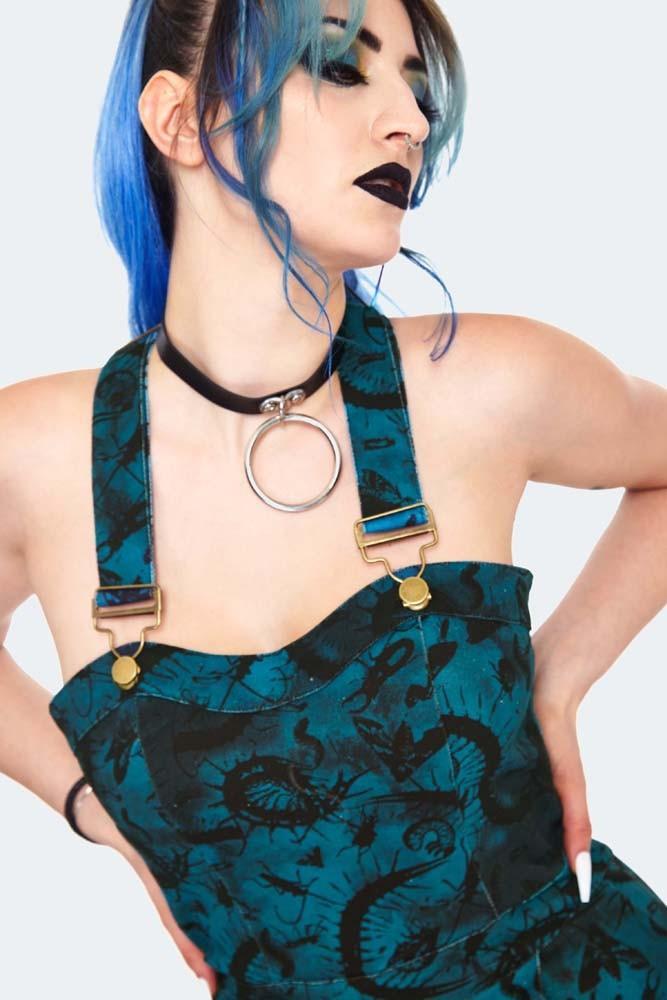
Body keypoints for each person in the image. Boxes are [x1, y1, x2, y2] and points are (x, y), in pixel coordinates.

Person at [1, 0, 666, 997]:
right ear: (179, 119)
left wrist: (557, 676)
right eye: (340, 67)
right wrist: (94, 807)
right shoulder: (38, 458)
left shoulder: (487, 384)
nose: (410, 120)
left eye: (416, 84)